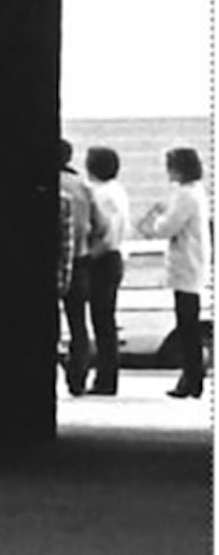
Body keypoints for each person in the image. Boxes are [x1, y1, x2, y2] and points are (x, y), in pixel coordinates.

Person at [138, 146, 210, 398]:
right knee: (188, 324)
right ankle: (192, 377)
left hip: (186, 267)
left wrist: (156, 218)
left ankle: (191, 378)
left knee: (187, 325)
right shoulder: (196, 192)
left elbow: (167, 228)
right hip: (192, 265)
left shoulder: (185, 195)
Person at [58, 139, 104, 396]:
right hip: (81, 260)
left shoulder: (44, 185)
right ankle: (78, 378)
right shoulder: (83, 187)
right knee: (78, 323)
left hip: (50, 263)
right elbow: (100, 225)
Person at [83, 146, 129, 395]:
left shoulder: (99, 194)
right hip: (115, 257)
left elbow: (105, 231)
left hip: (102, 259)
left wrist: (90, 255)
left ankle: (105, 379)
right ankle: (107, 376)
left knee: (101, 321)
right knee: (106, 320)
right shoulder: (118, 191)